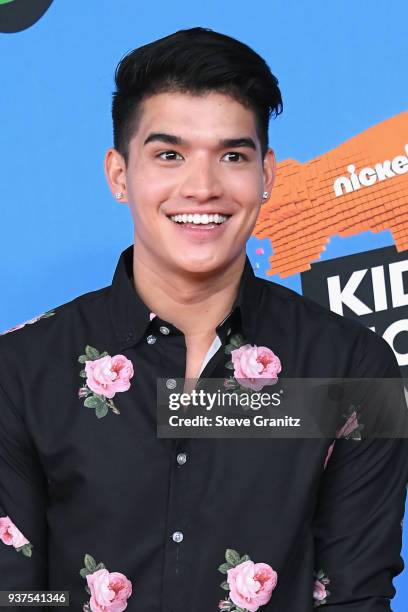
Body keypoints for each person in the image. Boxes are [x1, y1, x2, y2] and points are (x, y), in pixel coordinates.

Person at [0, 26, 407, 612]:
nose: (203, 188)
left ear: (267, 176)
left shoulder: (355, 369)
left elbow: (355, 594)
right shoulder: (20, 370)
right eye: (169, 155)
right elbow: (14, 594)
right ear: (119, 175)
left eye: (232, 156)